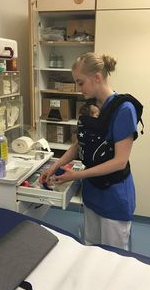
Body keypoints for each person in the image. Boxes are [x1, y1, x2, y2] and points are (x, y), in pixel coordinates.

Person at [39, 52, 139, 250]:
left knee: (113, 258)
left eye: (80, 82)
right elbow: (79, 145)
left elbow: (119, 161)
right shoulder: (93, 106)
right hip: (92, 193)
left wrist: (76, 175)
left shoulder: (124, 109)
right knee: (90, 250)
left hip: (113, 195)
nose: (78, 88)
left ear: (97, 77)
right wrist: (55, 165)